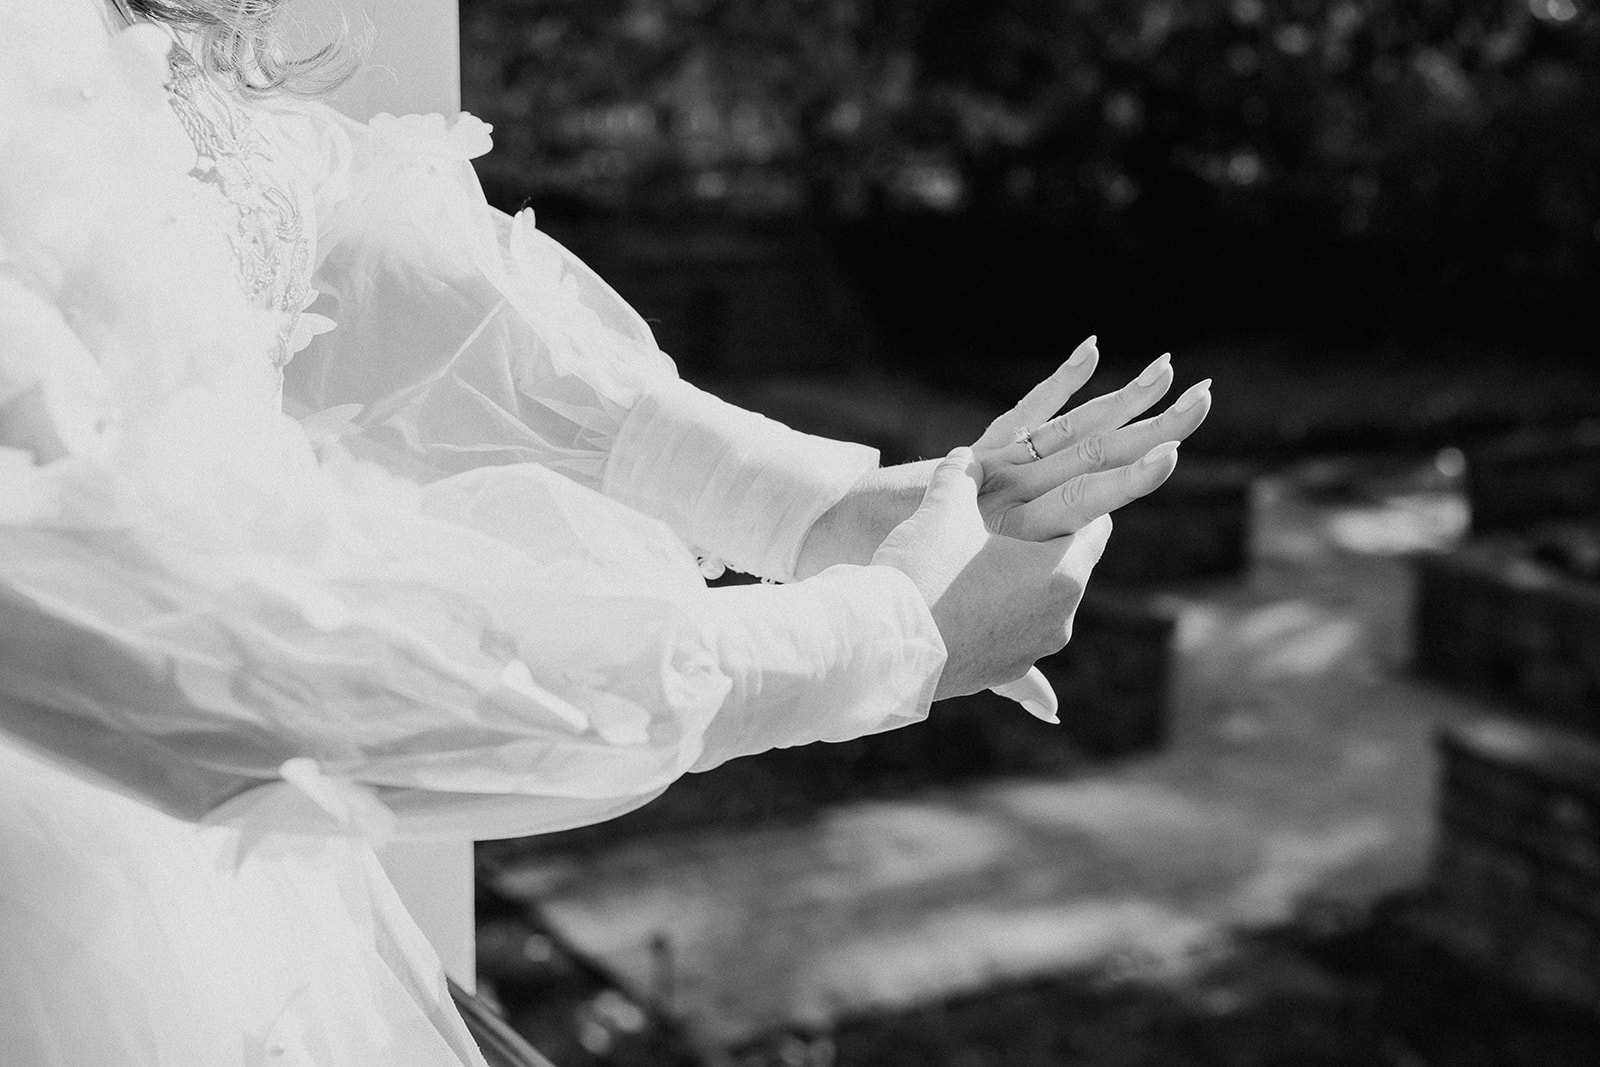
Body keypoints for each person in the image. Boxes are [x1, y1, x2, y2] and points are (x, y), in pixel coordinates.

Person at [0, 0, 1213, 1063]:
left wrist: (818, 509)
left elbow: (351, 249)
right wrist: (881, 639)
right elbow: (233, 669)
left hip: (227, 907)